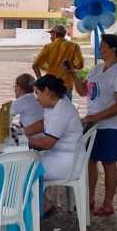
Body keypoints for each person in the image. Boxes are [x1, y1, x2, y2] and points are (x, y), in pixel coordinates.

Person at [69, 33, 117, 216]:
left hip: (112, 125)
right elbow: (83, 91)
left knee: (109, 163)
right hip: (94, 124)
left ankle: (108, 203)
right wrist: (74, 76)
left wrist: (95, 117)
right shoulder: (97, 69)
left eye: (103, 45)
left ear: (114, 48)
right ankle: (89, 198)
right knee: (90, 161)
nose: (100, 48)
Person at [24, 75, 83, 217]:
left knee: (23, 169)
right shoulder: (53, 105)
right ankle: (37, 205)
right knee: (24, 164)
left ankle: (44, 206)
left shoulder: (61, 110)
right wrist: (20, 132)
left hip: (68, 161)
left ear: (46, 91)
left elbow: (46, 143)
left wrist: (24, 140)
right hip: (59, 154)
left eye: (37, 94)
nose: (36, 98)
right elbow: (41, 124)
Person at [32, 25, 83, 98]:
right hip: (66, 87)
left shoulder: (48, 47)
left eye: (51, 34)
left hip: (51, 87)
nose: (50, 37)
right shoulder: (74, 46)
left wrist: (40, 79)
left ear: (55, 34)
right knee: (65, 109)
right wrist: (73, 66)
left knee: (51, 109)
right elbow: (80, 65)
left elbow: (35, 65)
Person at [11, 73, 44, 137]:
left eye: (15, 86)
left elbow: (4, 117)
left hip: (33, 137)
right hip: (42, 134)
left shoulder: (23, 100)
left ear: (20, 87)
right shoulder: (36, 96)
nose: (15, 90)